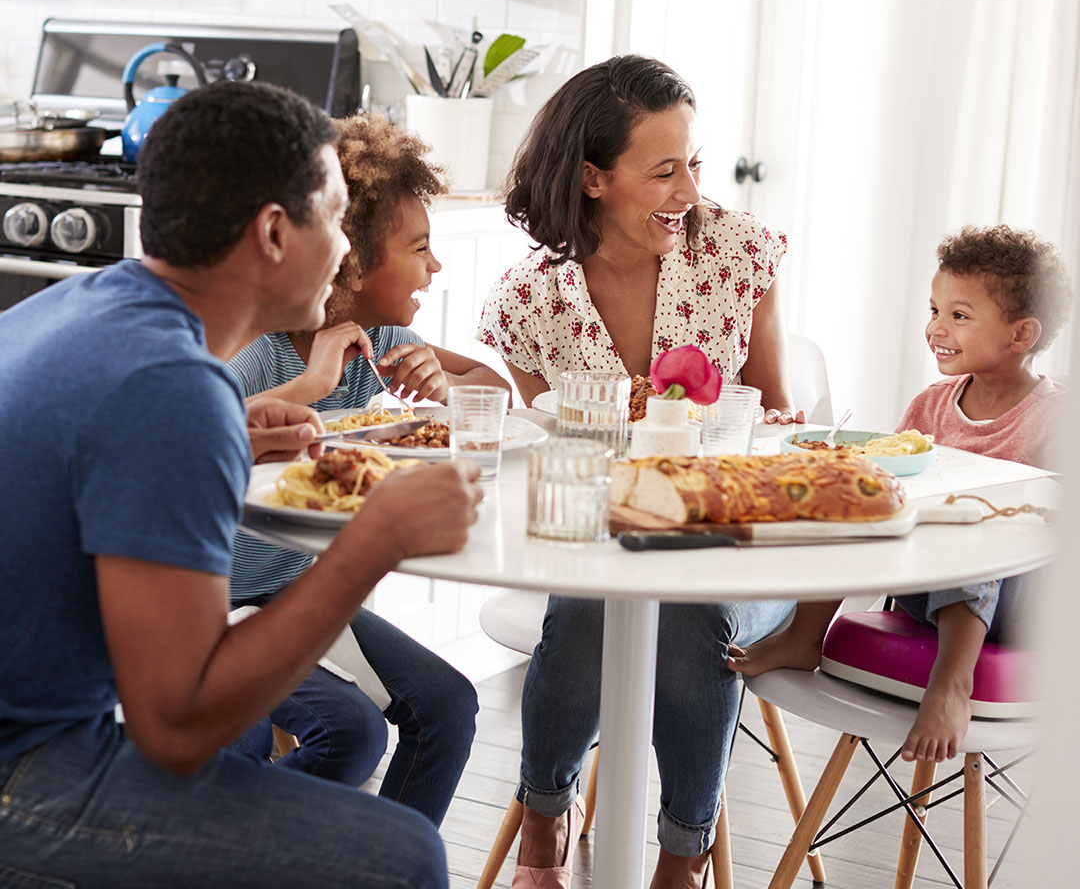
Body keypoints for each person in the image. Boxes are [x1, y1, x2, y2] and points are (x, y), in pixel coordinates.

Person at [0, 81, 484, 888]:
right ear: (272, 233)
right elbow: (179, 727)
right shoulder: (171, 391)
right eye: (333, 220)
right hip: (24, 764)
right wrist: (377, 540)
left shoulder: (89, 307)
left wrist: (226, 415)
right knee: (405, 859)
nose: (343, 251)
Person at [475, 55, 801, 888]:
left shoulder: (736, 255)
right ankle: (546, 817)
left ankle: (681, 856)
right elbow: (557, 458)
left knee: (691, 616)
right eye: (663, 171)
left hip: (736, 538)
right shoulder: (530, 303)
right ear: (591, 178)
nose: (690, 189)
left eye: (694, 162)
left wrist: (750, 427)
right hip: (603, 539)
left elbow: (773, 412)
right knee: (592, 604)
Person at [227, 113, 509, 823]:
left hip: (302, 593)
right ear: (350, 257)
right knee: (347, 734)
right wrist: (310, 386)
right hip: (218, 603)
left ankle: (362, 864)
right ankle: (248, 842)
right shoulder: (263, 349)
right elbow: (197, 431)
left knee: (448, 705)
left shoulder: (382, 339)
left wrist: (450, 385)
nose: (435, 266)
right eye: (420, 248)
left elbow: (495, 394)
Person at [729, 224, 1073, 764]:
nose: (936, 327)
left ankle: (953, 684)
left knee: (975, 526)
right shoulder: (931, 405)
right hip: (927, 588)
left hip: (1021, 600)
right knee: (856, 497)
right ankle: (804, 635)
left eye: (959, 316)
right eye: (934, 310)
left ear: (1021, 334)